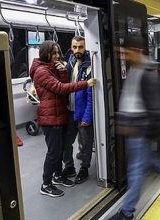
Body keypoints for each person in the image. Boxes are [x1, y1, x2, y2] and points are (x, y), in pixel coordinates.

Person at [109, 36, 160, 220]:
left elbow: (155, 106)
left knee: (136, 171)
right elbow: (131, 98)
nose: (124, 56)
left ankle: (127, 211)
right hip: (134, 126)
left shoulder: (148, 72)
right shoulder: (135, 69)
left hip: (140, 128)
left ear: (138, 51)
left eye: (127, 52)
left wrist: (144, 129)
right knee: (150, 159)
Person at [30, 40, 96, 197]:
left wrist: (62, 72)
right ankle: (46, 184)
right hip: (50, 117)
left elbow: (63, 84)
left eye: (58, 53)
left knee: (62, 148)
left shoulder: (53, 68)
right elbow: (60, 88)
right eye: (53, 53)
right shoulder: (42, 71)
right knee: (54, 152)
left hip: (59, 115)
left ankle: (58, 175)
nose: (57, 56)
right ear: (45, 53)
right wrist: (85, 83)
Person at [62, 36, 94, 184]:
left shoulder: (90, 65)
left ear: (85, 47)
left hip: (82, 112)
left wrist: (87, 117)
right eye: (74, 47)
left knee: (86, 143)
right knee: (66, 142)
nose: (77, 50)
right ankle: (69, 167)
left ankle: (84, 169)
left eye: (80, 47)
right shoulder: (70, 61)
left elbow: (90, 95)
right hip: (70, 110)